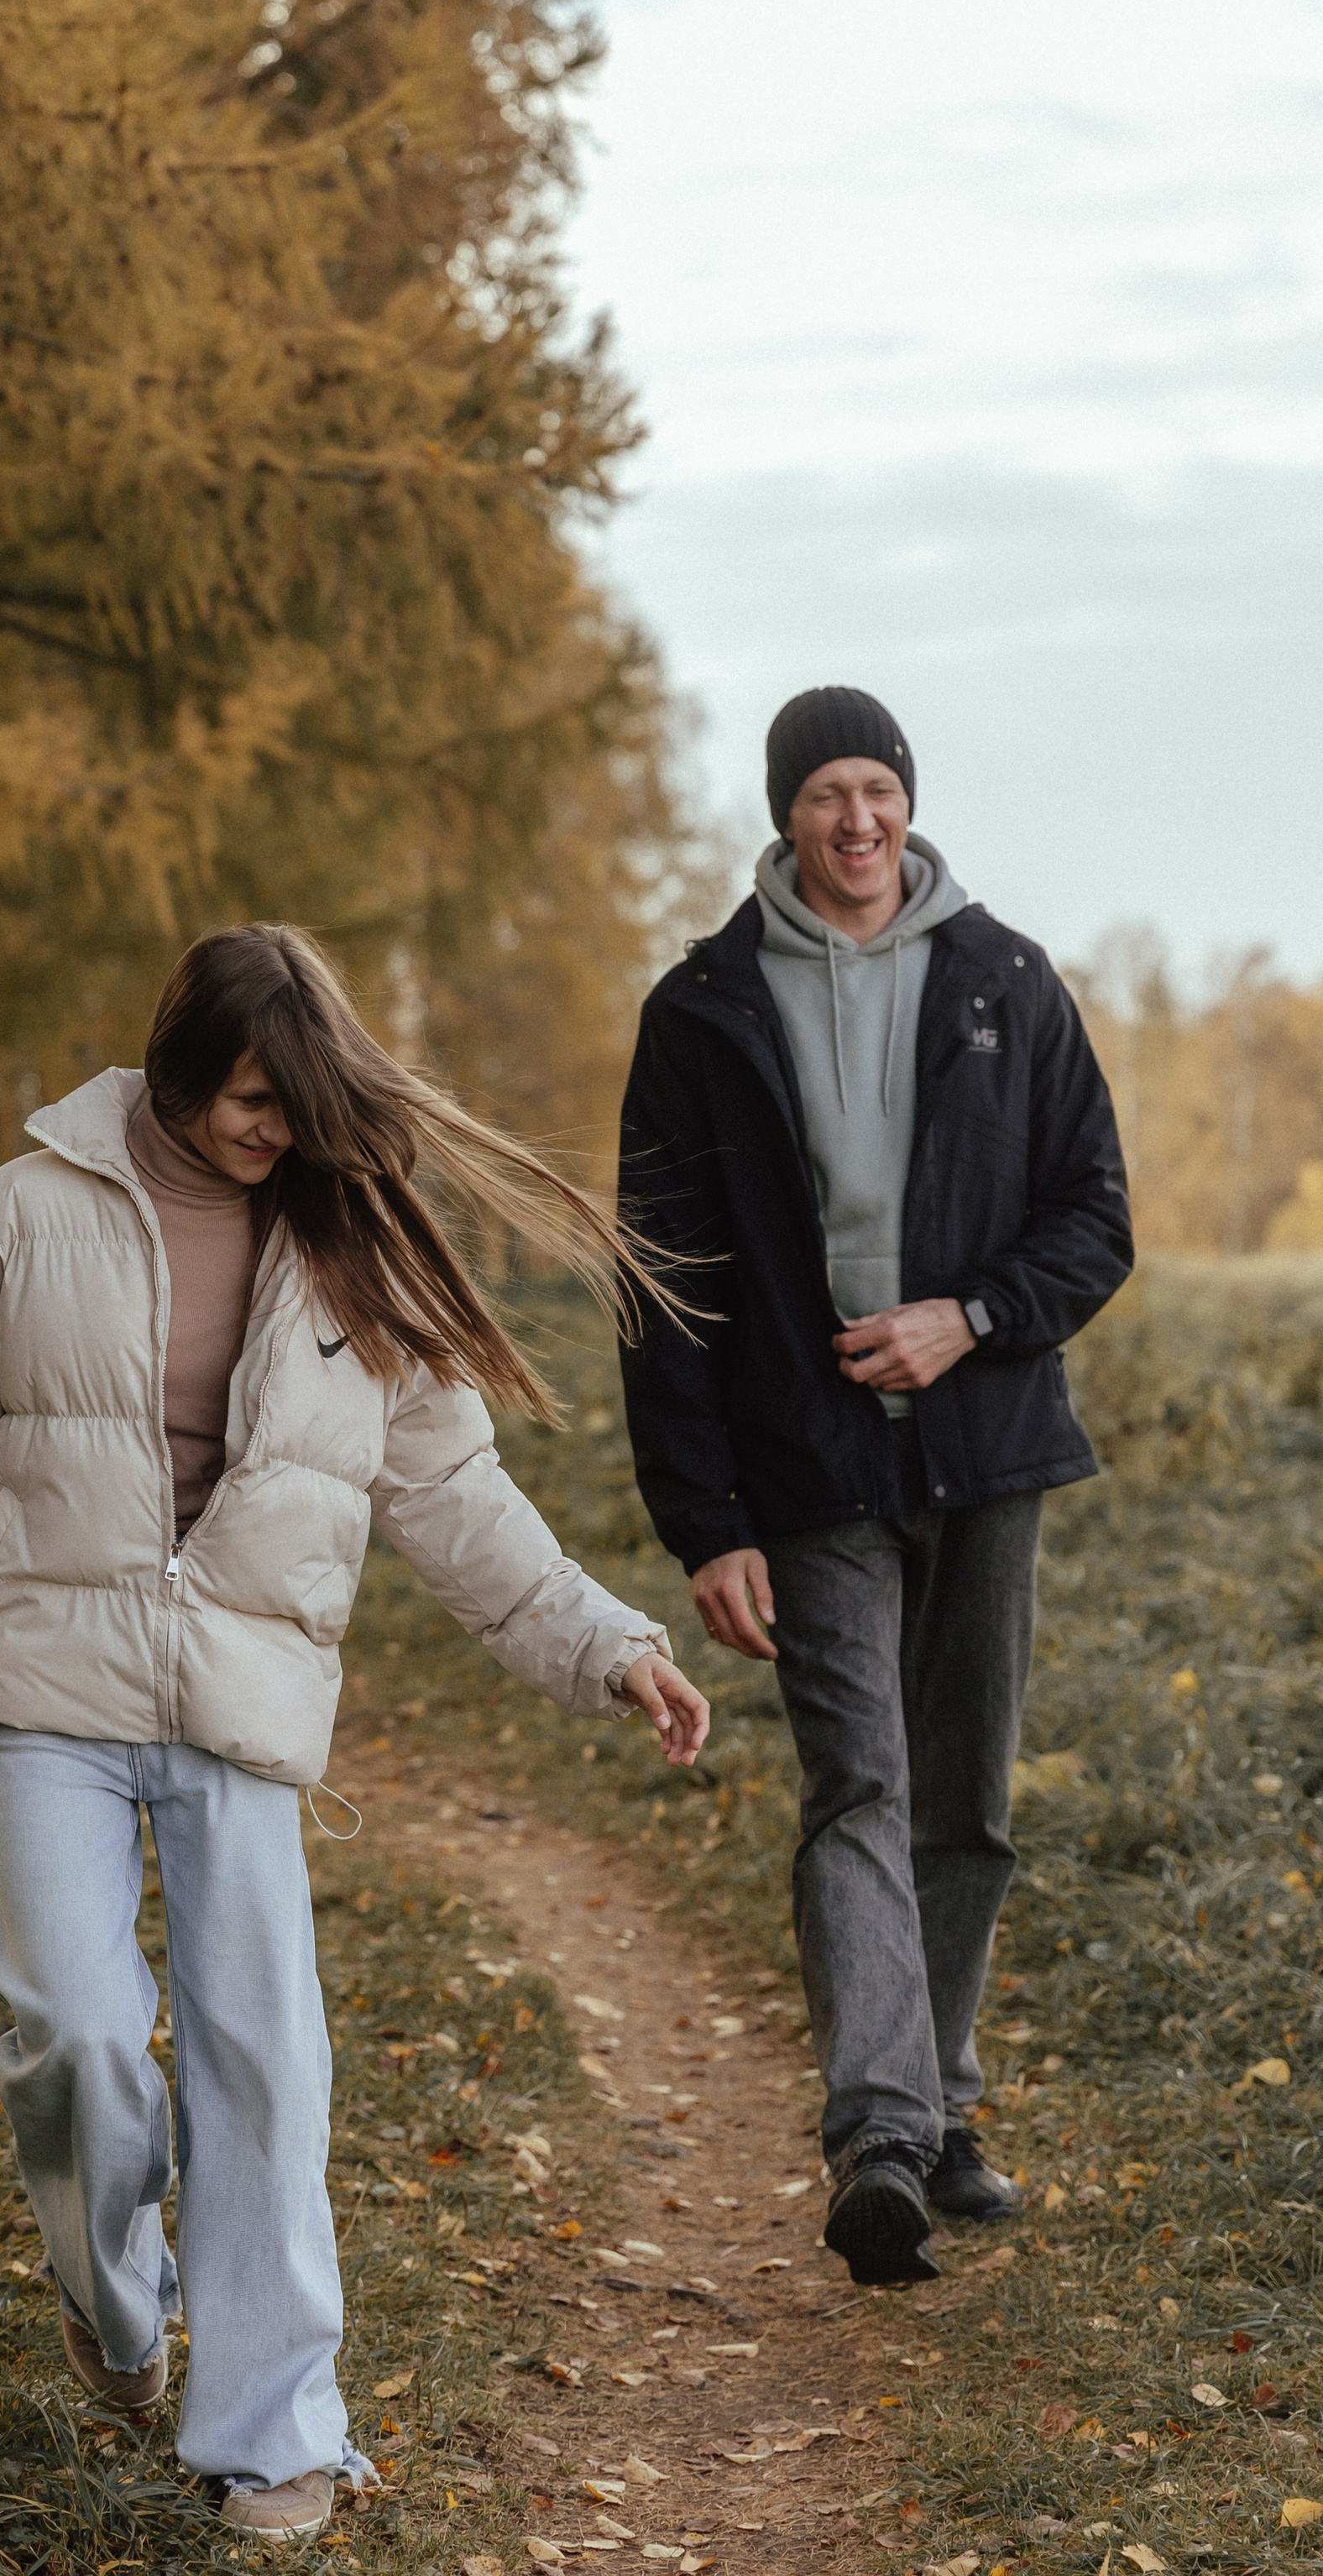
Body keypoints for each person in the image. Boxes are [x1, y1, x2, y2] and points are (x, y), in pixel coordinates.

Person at [0, 923, 710, 2541]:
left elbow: (452, 1494)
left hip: (241, 1713)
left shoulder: (352, 1246)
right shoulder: (18, 1218)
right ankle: (119, 2306)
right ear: (174, 1070)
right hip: (42, 1701)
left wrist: (610, 1646)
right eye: (247, 1098)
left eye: (296, 1104)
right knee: (79, 2036)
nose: (273, 1131)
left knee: (262, 2061)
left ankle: (275, 2431)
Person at [615, 687, 1131, 2288]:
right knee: (861, 1787)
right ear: (785, 814)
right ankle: (881, 2141)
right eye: (827, 793)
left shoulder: (1007, 981)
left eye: (878, 789)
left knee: (965, 1798)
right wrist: (706, 1523)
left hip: (985, 1455)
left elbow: (1094, 1220)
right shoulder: (702, 1009)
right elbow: (663, 1282)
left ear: (909, 801)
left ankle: (944, 2102)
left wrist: (964, 1320)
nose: (857, 820)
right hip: (810, 1464)